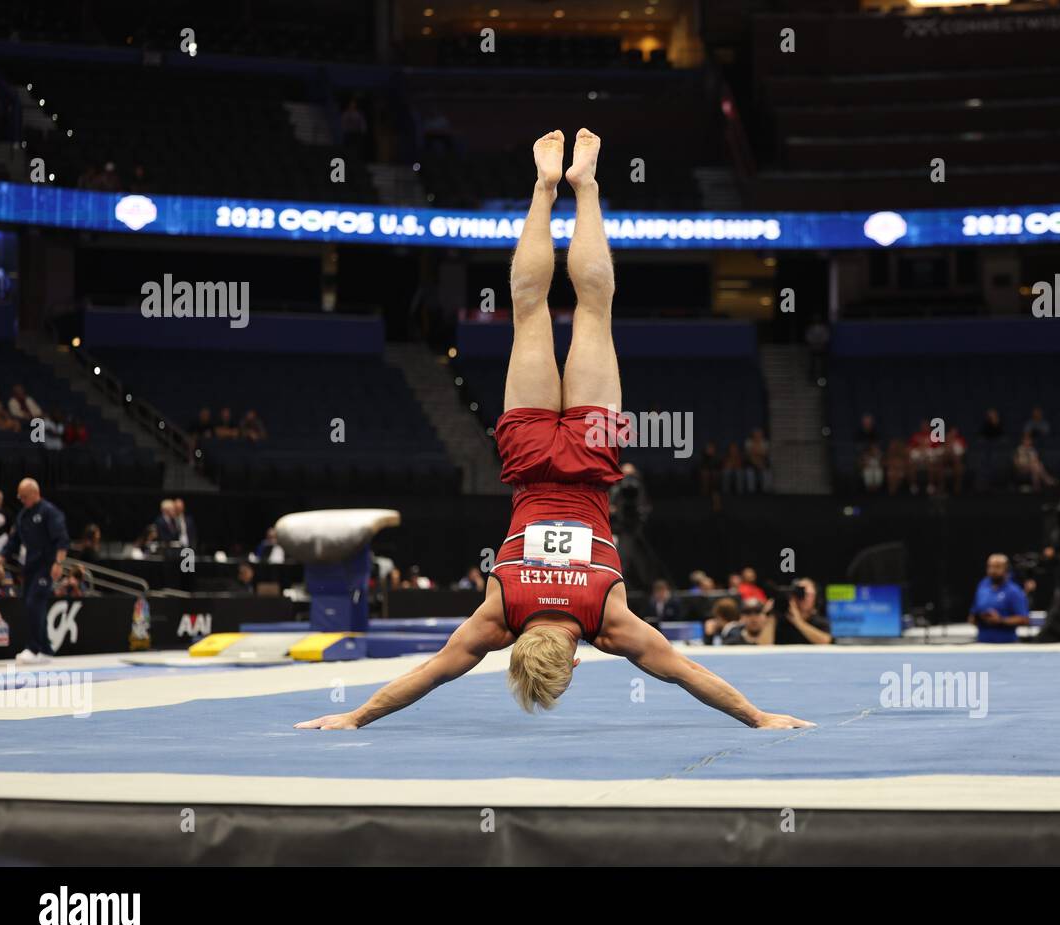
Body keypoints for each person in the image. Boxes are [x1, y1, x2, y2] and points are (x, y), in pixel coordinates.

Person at [297, 130, 811, 732]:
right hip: (530, 458)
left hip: (591, 460)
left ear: (569, 657)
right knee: (529, 308)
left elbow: (685, 671)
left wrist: (758, 717)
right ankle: (545, 188)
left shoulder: (606, 620)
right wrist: (355, 716)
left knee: (594, 309)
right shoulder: (501, 613)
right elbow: (432, 672)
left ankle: (586, 185)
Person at [0, 478, 69, 663]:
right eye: (20, 497)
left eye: (24, 496)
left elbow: (62, 539)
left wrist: (58, 563)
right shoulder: (23, 515)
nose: (21, 499)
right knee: (31, 604)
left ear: (35, 493)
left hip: (47, 566)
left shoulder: (49, 512)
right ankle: (46, 649)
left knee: (35, 603)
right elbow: (13, 543)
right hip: (30, 567)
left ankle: (34, 648)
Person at [968, 553, 1031, 644]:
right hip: (982, 644)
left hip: (1006, 645)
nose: (993, 570)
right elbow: (973, 615)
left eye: (997, 567)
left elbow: (1024, 619)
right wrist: (979, 618)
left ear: (1006, 569)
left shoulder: (1014, 591)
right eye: (990, 567)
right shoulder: (982, 586)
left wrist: (1000, 620)